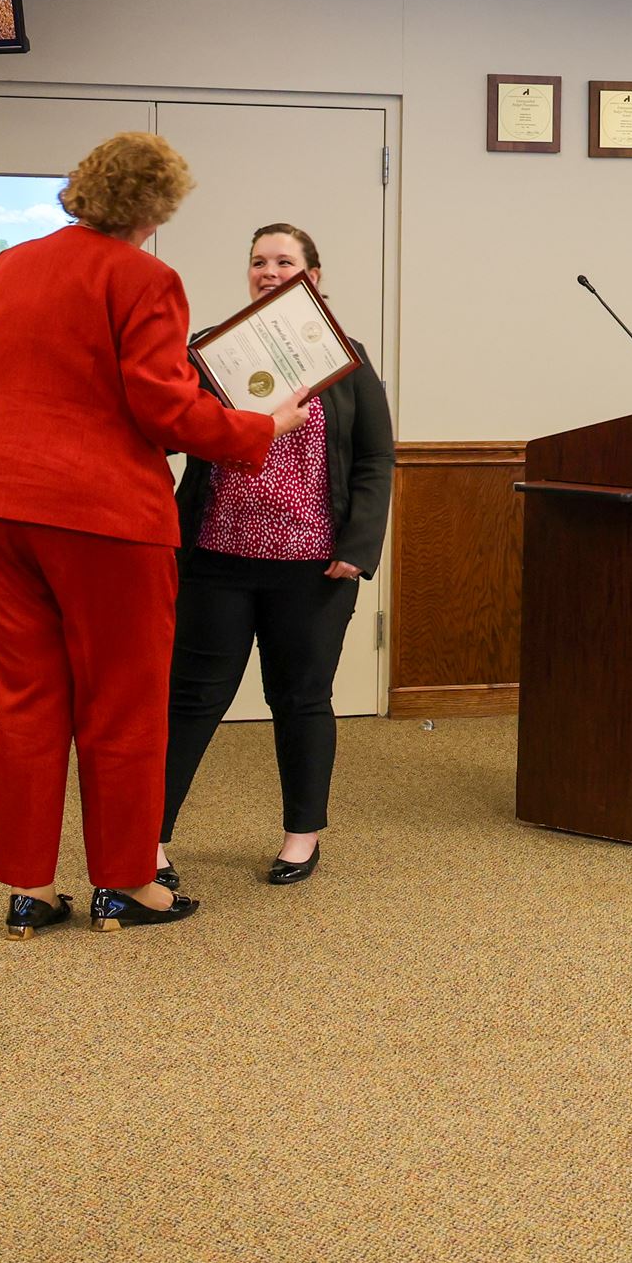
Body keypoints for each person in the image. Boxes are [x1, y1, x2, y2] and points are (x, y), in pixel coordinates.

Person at [0, 133, 307, 937]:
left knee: (30, 697)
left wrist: (18, 455)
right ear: (157, 208)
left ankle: (30, 891)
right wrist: (261, 427)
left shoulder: (9, 266)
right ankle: (125, 884)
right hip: (103, 514)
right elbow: (162, 407)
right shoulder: (147, 278)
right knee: (124, 700)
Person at [159, 224, 394, 887]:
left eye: (284, 260)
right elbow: (177, 431)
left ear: (314, 276)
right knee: (191, 699)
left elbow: (376, 458)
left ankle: (301, 835)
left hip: (313, 567)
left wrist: (358, 547)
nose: (268, 270)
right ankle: (146, 840)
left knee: (301, 699)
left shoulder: (347, 359)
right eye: (258, 261)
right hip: (216, 558)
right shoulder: (212, 356)